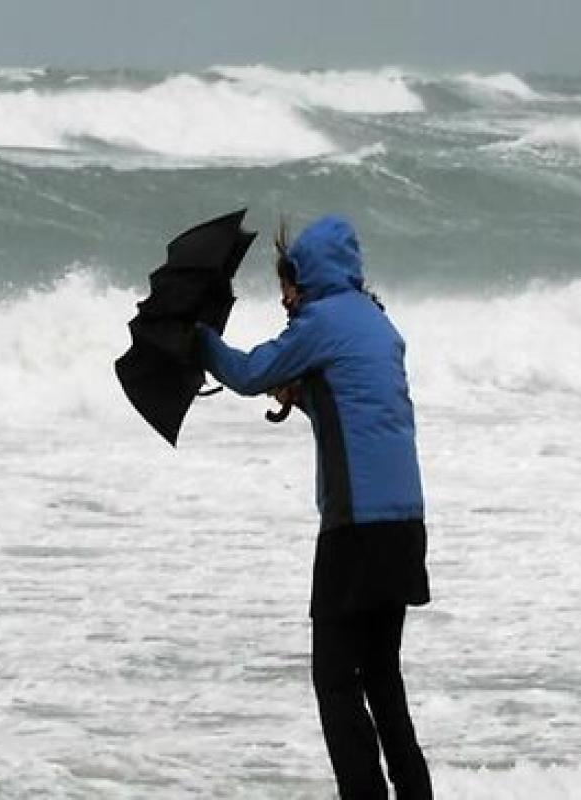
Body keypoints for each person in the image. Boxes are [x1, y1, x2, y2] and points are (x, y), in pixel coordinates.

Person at [195, 214, 433, 799]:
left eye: (286, 288)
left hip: (354, 530)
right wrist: (304, 398)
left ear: (307, 278)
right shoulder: (378, 324)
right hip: (404, 527)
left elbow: (248, 372)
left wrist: (195, 335)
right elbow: (357, 410)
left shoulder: (320, 321)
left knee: (334, 681)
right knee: (382, 678)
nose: (284, 301)